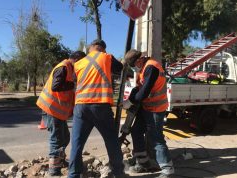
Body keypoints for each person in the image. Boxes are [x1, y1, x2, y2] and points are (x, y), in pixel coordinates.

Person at [68, 39, 126, 178]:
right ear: (102, 48)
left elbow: (77, 80)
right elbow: (120, 69)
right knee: (111, 140)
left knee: (77, 143)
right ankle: (118, 173)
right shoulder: (107, 57)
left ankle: (73, 175)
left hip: (81, 106)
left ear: (91, 48)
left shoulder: (79, 63)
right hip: (100, 106)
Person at [122, 49, 174, 178]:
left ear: (139, 59)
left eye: (134, 65)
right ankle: (143, 162)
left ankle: (168, 169)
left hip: (156, 109)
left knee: (156, 139)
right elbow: (138, 88)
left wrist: (131, 101)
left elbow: (144, 92)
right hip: (146, 108)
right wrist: (129, 99)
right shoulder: (145, 68)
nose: (135, 68)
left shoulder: (151, 67)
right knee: (136, 131)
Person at [36, 51, 86, 176]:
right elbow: (55, 86)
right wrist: (73, 84)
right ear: (76, 60)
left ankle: (60, 161)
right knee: (57, 139)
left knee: (65, 137)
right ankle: (54, 168)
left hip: (58, 111)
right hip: (51, 108)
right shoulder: (63, 67)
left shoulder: (69, 68)